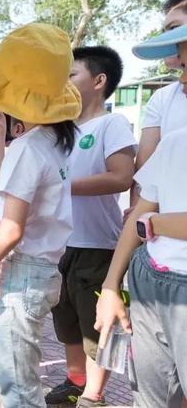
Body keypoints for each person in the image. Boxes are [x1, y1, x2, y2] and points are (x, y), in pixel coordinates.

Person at [0, 23, 80, 407]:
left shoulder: (29, 147)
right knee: (3, 368)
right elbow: (0, 189)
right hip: (32, 271)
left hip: (22, 271)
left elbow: (10, 229)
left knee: (18, 387)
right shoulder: (48, 141)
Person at [95, 22, 187, 408]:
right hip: (150, 280)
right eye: (181, 64)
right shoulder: (177, 142)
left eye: (184, 61)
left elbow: (145, 220)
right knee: (148, 398)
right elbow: (141, 211)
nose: (180, 77)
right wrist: (112, 286)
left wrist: (155, 224)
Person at [46, 46, 137, 407]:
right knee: (65, 319)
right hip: (60, 243)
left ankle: (93, 396)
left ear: (99, 81)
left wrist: (61, 186)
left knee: (94, 326)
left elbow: (121, 177)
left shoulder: (111, 124)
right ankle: (75, 381)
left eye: (72, 75)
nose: (64, 82)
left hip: (98, 244)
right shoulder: (62, 129)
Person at [128, 0, 187, 212]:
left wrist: (153, 223)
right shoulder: (164, 100)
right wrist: (140, 219)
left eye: (174, 29)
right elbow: (146, 174)